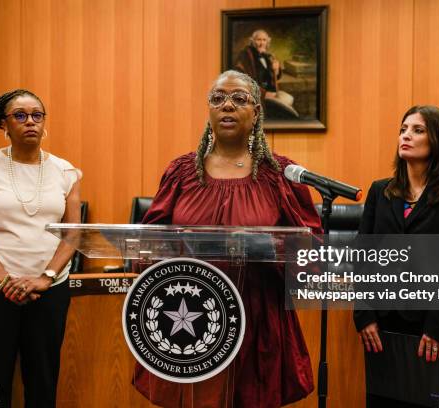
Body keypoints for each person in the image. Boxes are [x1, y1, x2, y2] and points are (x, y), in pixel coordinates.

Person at [133, 70, 322, 407]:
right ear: (209, 111)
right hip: (190, 315)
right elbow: (150, 240)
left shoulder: (280, 175)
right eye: (218, 99)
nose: (227, 106)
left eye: (239, 99)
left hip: (257, 314)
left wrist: (271, 249)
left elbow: (311, 250)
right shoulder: (181, 173)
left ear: (257, 112)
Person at [353, 105, 439, 407]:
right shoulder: (380, 192)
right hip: (382, 330)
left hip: (432, 329)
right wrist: (364, 315)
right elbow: (363, 258)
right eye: (403, 129)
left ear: (438, 140)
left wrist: (437, 327)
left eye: (417, 130)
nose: (406, 136)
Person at [0, 89, 82, 407]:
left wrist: (46, 276)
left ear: (44, 123)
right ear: (5, 124)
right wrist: (4, 279)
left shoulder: (66, 172)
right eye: (20, 115)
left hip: (48, 289)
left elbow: (72, 235)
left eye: (37, 115)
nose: (30, 121)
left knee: (43, 382)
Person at [234, 29, 298, 119]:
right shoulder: (245, 55)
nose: (261, 43)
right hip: (258, 97)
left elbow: (273, 77)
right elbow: (243, 81)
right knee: (289, 114)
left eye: (264, 40)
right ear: (252, 41)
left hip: (271, 93)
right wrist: (264, 94)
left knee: (289, 99)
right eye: (258, 40)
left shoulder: (267, 56)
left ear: (267, 42)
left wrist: (276, 70)